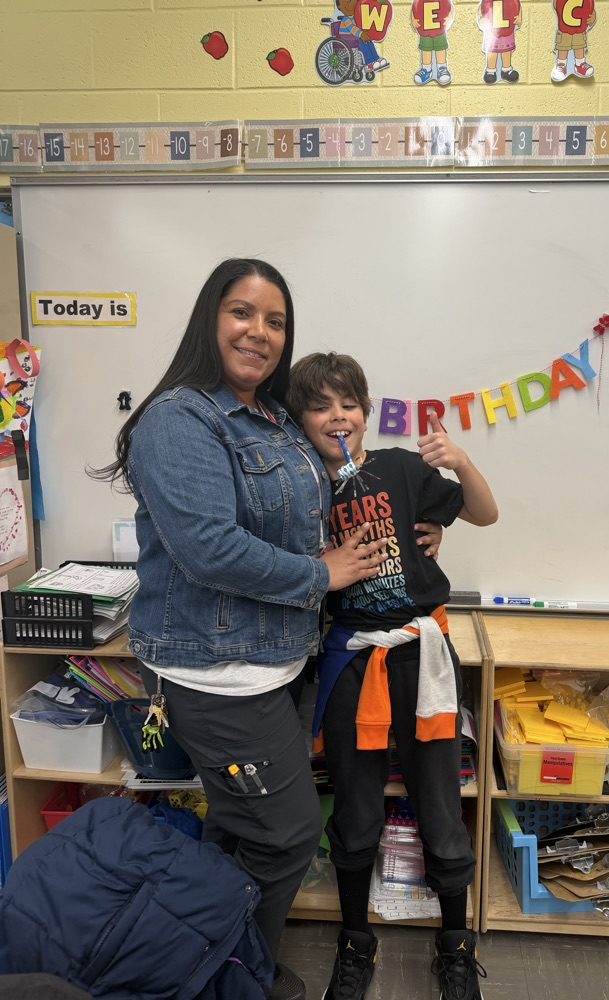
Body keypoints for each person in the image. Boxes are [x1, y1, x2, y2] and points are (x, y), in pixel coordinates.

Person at [91, 258, 405, 1000]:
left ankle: (209, 964)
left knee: (240, 828)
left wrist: (402, 522)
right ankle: (236, 976)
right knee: (289, 832)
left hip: (276, 662)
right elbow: (209, 549)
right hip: (218, 673)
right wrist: (322, 575)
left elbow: (313, 503)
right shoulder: (180, 418)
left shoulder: (270, 416)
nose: (259, 332)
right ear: (210, 318)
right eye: (242, 312)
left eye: (275, 321)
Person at [286, 352, 498, 1000]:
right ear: (300, 419)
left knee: (439, 806)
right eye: (320, 405)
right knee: (355, 812)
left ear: (367, 411)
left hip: (422, 658)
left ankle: (455, 947)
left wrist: (459, 460)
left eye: (348, 402)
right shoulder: (296, 491)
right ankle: (356, 943)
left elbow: (485, 514)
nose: (338, 416)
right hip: (351, 663)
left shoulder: (400, 468)